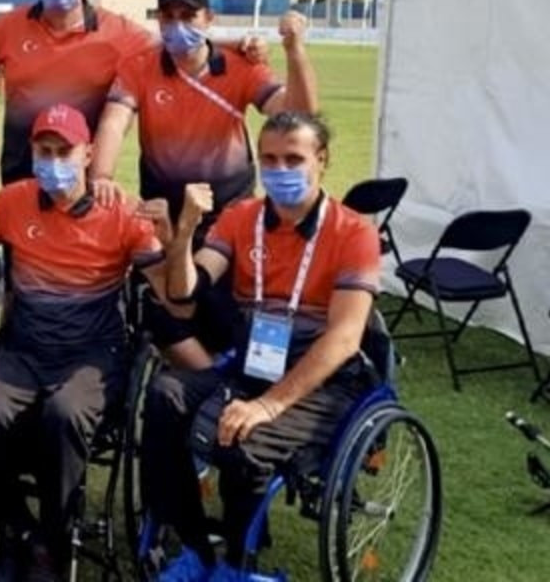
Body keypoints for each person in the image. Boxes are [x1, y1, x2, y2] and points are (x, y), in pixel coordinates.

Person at [141, 112, 381, 581]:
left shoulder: (354, 233)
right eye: (269, 159)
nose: (280, 169)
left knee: (244, 441)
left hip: (325, 380)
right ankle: (196, 548)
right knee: (165, 396)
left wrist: (268, 406)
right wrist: (185, 231)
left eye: (294, 159)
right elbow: (185, 291)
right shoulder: (241, 218)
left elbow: (344, 337)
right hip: (254, 364)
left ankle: (236, 564)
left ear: (322, 160)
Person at [0, 104, 182, 580]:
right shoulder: (12, 202)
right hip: (24, 347)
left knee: (65, 414)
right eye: (44, 150)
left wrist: (174, 235)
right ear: (32, 152)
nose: (53, 161)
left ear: (88, 154)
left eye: (64, 151)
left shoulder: (121, 210)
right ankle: (16, 527)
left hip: (92, 352)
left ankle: (52, 539)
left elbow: (171, 294)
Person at [91, 0, 319, 370]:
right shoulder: (141, 67)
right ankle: (209, 379)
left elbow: (297, 117)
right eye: (168, 16)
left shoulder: (240, 66)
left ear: (208, 18)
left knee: (231, 309)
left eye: (188, 15)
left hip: (228, 217)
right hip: (165, 218)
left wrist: (294, 50)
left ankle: (235, 377)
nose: (177, 24)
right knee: (164, 312)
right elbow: (114, 121)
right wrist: (102, 175)